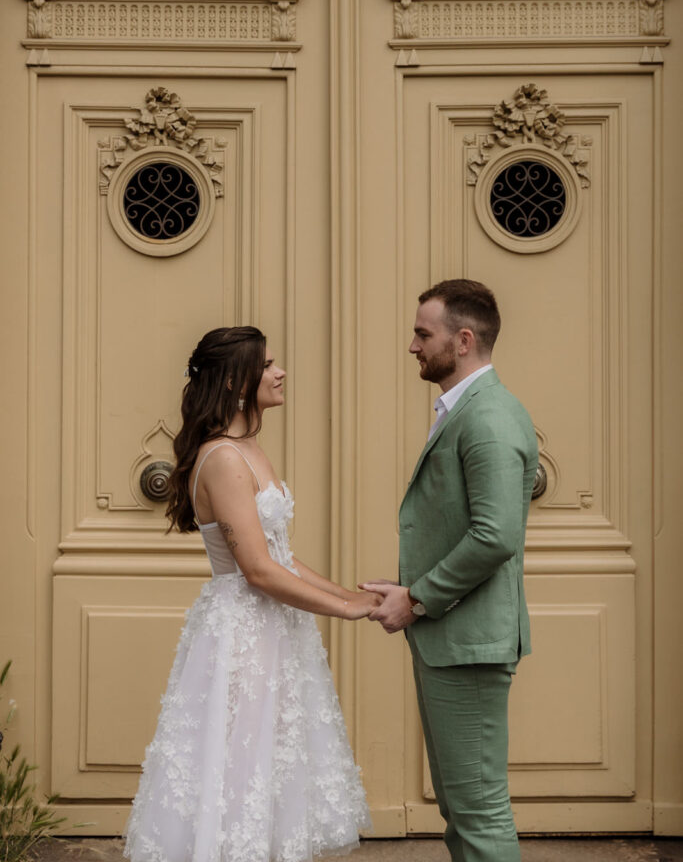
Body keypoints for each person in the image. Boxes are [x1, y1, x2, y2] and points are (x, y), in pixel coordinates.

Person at [124, 326, 378, 862]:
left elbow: (280, 555)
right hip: (242, 630)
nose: (281, 372)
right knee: (238, 765)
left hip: (274, 628)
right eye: (268, 365)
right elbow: (258, 571)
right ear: (238, 380)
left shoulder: (249, 447)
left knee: (271, 764)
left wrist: (354, 595)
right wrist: (344, 610)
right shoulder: (222, 459)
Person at [362, 279, 538, 862]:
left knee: (479, 810)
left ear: (463, 340)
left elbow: (495, 536)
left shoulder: (488, 418)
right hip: (455, 639)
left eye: (422, 333)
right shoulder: (465, 408)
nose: (413, 345)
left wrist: (416, 599)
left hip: (470, 644)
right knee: (461, 807)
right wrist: (409, 586)